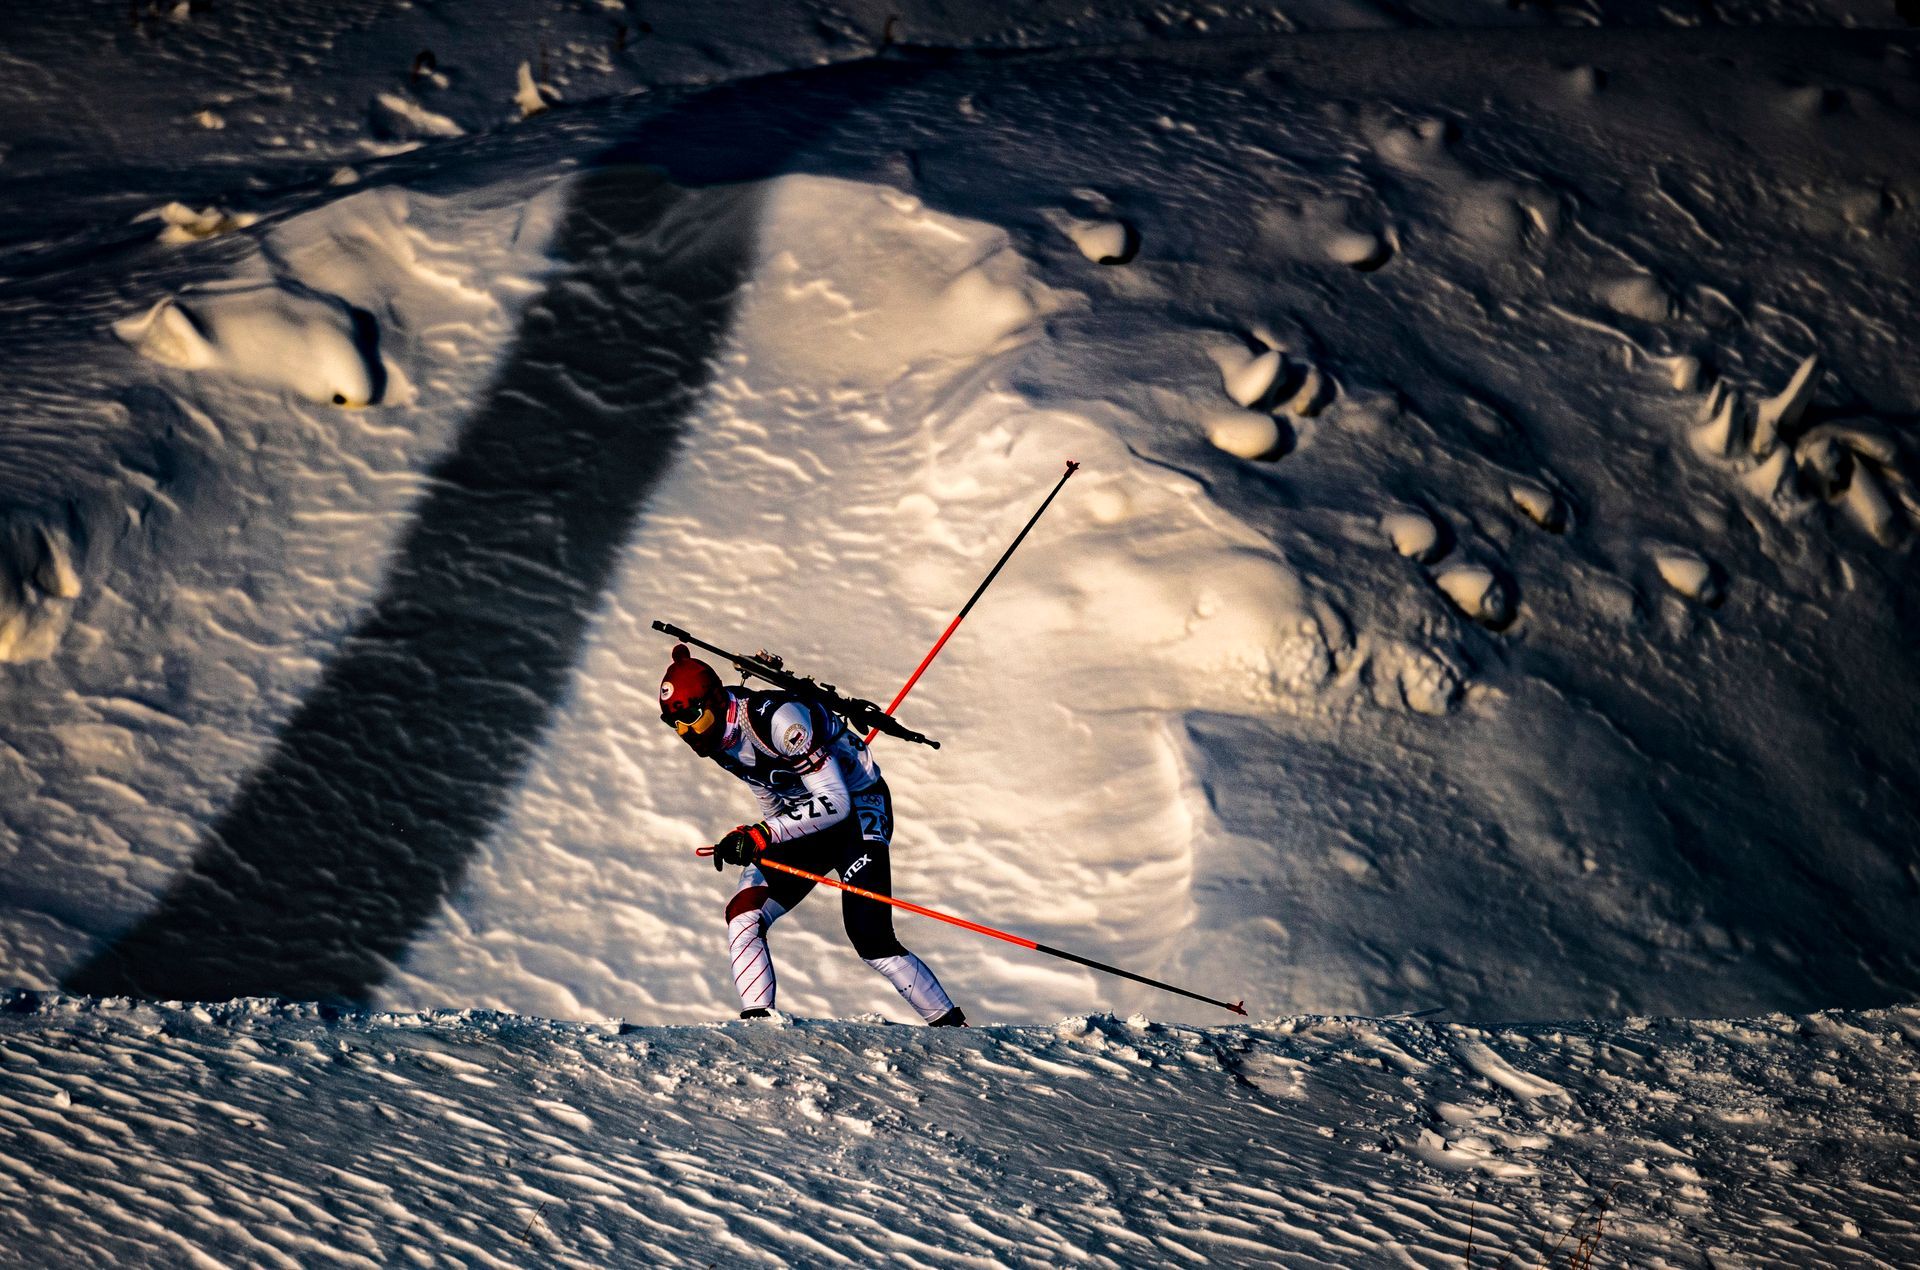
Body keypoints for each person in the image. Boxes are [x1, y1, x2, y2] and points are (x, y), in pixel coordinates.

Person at [659, 643, 966, 1026]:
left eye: (691, 717)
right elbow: (766, 787)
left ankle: (953, 1029)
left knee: (872, 941)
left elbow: (836, 802)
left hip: (858, 808)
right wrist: (764, 838)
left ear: (717, 701)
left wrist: (762, 834)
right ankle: (759, 1028)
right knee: (743, 914)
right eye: (673, 723)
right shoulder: (720, 737)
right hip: (810, 815)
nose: (685, 731)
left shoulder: (780, 723)